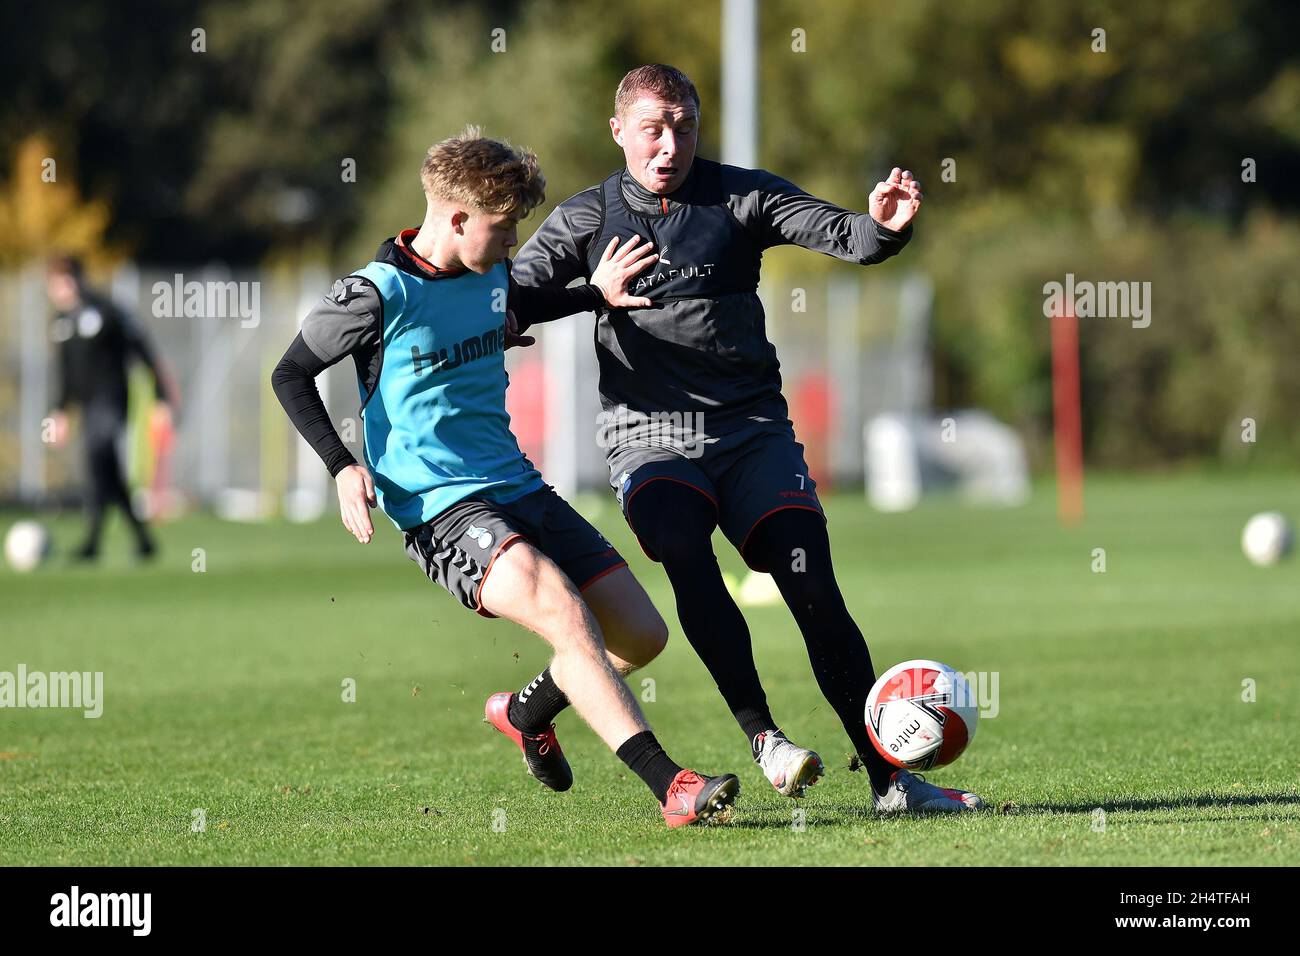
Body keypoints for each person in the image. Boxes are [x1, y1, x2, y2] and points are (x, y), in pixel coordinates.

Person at [510, 65, 986, 814]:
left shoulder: (742, 194)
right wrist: (589, 295)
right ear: (619, 131)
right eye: (653, 127)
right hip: (653, 435)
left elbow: (848, 237)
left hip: (752, 429)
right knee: (686, 551)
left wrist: (887, 225)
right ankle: (765, 738)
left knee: (814, 591)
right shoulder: (586, 219)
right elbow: (504, 307)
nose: (670, 142)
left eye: (685, 124)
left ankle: (892, 782)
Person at [270, 126, 739, 828]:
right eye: (503, 227)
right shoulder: (378, 294)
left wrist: (593, 294)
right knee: (567, 619)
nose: (513, 243)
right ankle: (671, 785)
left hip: (518, 486)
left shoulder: (486, 274)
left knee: (641, 636)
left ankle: (526, 714)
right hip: (441, 510)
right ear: (456, 218)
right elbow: (291, 373)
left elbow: (521, 304)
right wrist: (341, 466)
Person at [46, 255, 173, 561]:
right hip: (88, 405)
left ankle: (92, 543)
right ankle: (143, 540)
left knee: (97, 462)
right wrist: (59, 411)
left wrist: (160, 398)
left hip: (113, 400)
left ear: (79, 279)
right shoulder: (60, 323)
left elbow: (143, 351)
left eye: (68, 280)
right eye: (56, 284)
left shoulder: (108, 312)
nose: (63, 289)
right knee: (109, 473)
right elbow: (65, 373)